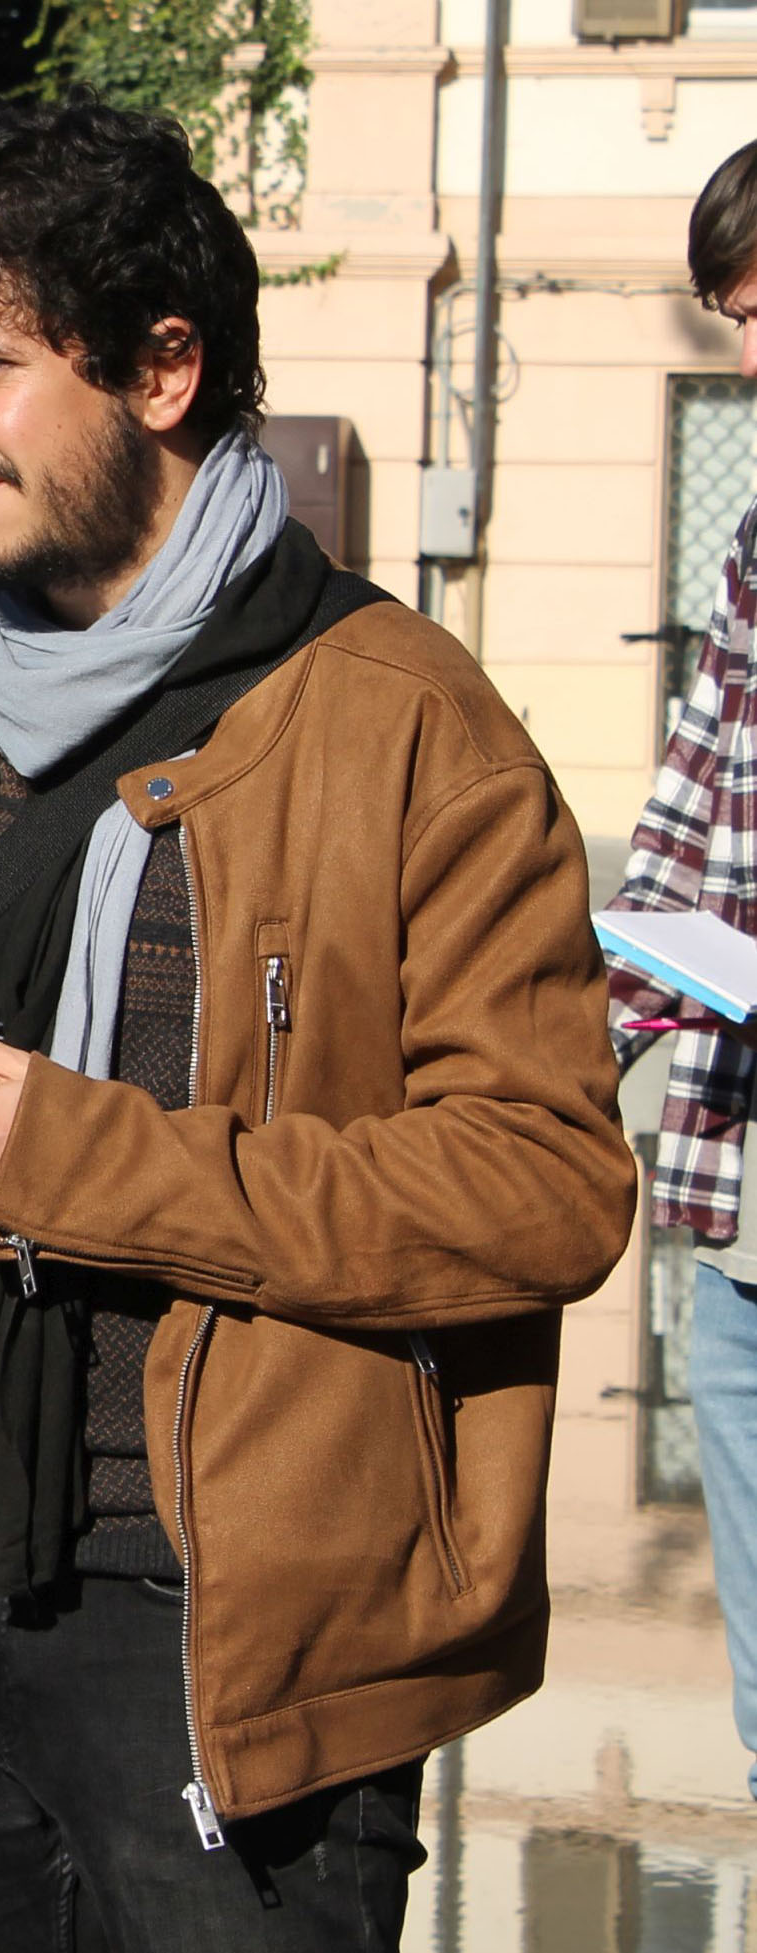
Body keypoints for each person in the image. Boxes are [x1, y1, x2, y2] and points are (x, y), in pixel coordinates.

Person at [0, 97, 634, 1950]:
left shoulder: (404, 721)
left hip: (219, 1624)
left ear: (158, 365)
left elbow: (543, 1188)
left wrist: (79, 1160)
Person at [604, 133, 757, 1806]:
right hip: (734, 1184)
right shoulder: (753, 552)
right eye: (726, 317)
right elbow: (682, 812)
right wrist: (605, 999)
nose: (745, 357)